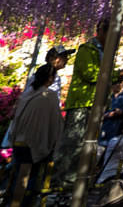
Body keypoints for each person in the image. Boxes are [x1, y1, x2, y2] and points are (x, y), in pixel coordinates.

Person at [10, 66, 65, 207]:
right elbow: (56, 123)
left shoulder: (28, 94)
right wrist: (52, 144)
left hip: (18, 142)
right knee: (29, 183)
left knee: (17, 180)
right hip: (34, 145)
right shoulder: (49, 95)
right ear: (50, 78)